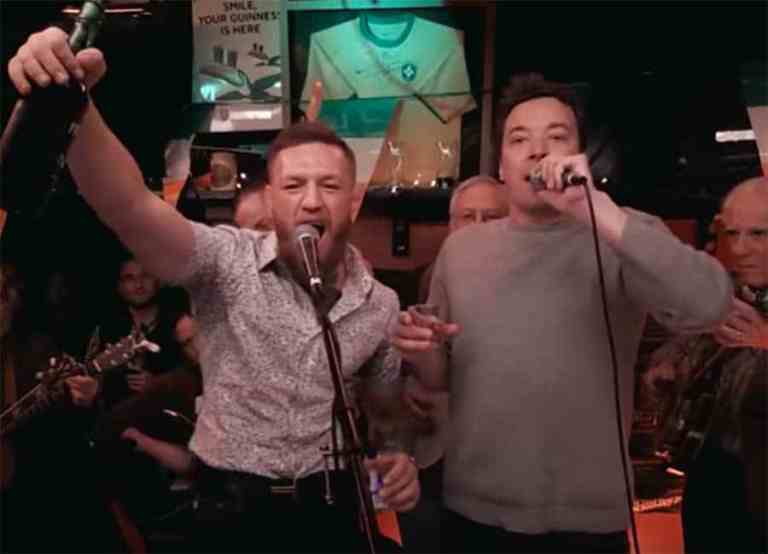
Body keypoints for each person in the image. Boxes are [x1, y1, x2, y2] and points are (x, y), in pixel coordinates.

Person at [7, 27, 419, 553]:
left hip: (327, 503)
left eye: (330, 186)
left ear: (352, 201)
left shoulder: (380, 303)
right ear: (272, 202)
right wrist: (74, 103)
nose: (312, 201)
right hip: (229, 504)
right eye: (294, 186)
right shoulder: (227, 261)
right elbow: (129, 206)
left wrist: (398, 455)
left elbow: (386, 407)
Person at [392, 73, 732, 553]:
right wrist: (422, 350)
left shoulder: (621, 232)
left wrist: (597, 210)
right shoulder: (462, 250)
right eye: (519, 140)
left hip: (588, 520)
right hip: (471, 508)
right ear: (502, 166)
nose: (537, 151)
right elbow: (443, 377)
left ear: (580, 156)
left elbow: (710, 305)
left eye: (556, 137)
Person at [646, 177, 767, 553]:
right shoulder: (722, 289)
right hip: (714, 472)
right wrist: (668, 368)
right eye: (732, 233)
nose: (741, 247)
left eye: (758, 234)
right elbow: (683, 346)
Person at [417, 175, 509, 303]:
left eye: (491, 216)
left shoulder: (523, 273)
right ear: (452, 225)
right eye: (468, 216)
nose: (478, 225)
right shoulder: (435, 275)